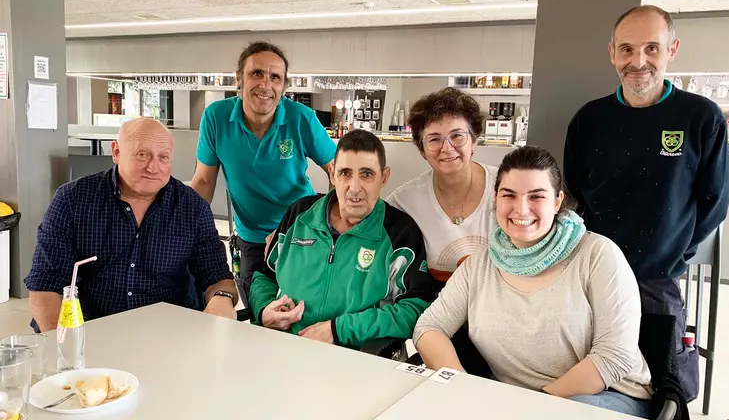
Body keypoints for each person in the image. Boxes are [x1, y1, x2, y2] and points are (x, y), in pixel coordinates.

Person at [564, 5, 729, 402]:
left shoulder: (700, 117)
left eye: (651, 49)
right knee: (591, 376)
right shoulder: (589, 119)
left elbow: (715, 202)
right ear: (612, 53)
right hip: (593, 272)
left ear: (672, 50)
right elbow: (574, 189)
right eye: (627, 50)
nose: (638, 61)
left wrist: (676, 253)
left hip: (658, 277)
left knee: (663, 386)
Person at [414, 146, 653, 418]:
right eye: (509, 195)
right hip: (510, 401)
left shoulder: (597, 254)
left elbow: (614, 357)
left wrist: (534, 406)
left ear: (557, 201)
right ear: (496, 199)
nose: (521, 208)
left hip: (605, 397)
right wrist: (463, 387)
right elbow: (429, 327)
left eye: (537, 196)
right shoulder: (480, 264)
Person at [26, 118, 238, 332]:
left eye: (163, 157)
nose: (153, 167)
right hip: (90, 331)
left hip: (169, 334)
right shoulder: (72, 200)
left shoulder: (192, 207)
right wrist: (64, 344)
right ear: (116, 152)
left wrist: (222, 299)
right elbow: (46, 282)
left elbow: (217, 276)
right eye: (142, 155)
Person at [249, 129, 436, 353]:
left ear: (384, 177)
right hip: (283, 348)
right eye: (345, 173)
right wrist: (263, 309)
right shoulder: (301, 213)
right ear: (332, 175)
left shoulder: (399, 231)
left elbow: (415, 309)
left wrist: (339, 330)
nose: (354, 187)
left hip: (355, 358)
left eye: (367, 174)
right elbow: (264, 276)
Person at [191, 41, 336, 305]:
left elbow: (337, 169)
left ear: (283, 85)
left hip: (302, 236)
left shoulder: (301, 117)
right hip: (252, 238)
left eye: (275, 77)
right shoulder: (216, 117)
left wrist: (329, 223)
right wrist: (185, 227)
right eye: (256, 73)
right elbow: (203, 181)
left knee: (305, 312)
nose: (265, 85)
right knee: (261, 313)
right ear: (239, 79)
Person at [387, 87, 495, 376]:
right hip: (444, 324)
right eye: (434, 139)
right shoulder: (405, 201)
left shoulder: (506, 189)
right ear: (422, 149)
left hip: (505, 319)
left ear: (474, 140)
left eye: (457, 136)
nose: (447, 148)